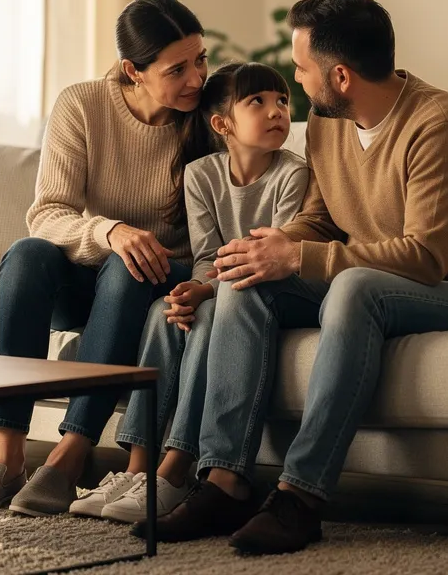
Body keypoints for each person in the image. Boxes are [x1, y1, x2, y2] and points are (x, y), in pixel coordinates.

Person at [135, 0, 448, 553]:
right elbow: (320, 219)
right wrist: (250, 257)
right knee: (252, 280)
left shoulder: (441, 126)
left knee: (353, 285)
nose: (296, 81)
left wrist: (299, 258)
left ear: (339, 76)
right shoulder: (327, 120)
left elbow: (425, 256)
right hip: (370, 283)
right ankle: (224, 480)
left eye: (301, 68)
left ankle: (300, 497)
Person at [0, 0, 212, 516]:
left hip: (166, 279)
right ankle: (7, 459)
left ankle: (70, 457)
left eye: (201, 59)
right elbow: (47, 213)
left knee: (131, 264)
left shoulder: (209, 117)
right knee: (26, 255)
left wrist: (130, 248)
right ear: (132, 71)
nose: (197, 78)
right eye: (177, 68)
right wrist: (110, 230)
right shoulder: (83, 105)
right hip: (98, 276)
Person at [70, 62, 309, 522]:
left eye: (282, 100)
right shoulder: (201, 175)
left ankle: (175, 470)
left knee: (205, 320)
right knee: (164, 310)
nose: (277, 111)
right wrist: (195, 288)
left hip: (264, 285)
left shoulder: (291, 174)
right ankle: (138, 467)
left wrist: (208, 293)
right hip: (219, 281)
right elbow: (205, 253)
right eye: (257, 101)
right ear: (222, 124)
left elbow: (270, 255)